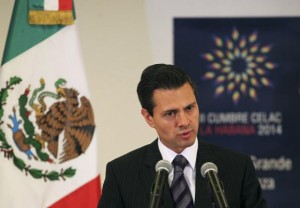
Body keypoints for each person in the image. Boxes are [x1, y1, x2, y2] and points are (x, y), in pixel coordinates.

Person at [98, 64, 267, 208]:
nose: (184, 121)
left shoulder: (238, 167)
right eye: (171, 113)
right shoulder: (121, 174)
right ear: (149, 117)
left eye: (189, 108)